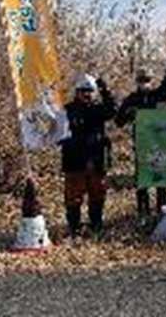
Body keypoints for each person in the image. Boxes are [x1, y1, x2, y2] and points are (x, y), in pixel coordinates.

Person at [116, 47, 166, 221]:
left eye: (147, 79)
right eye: (141, 80)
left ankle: (162, 214)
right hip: (141, 146)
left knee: (160, 183)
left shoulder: (158, 95)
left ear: (152, 80)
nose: (144, 82)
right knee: (142, 183)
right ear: (136, 81)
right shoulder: (130, 100)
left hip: (159, 145)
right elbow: (118, 122)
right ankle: (143, 215)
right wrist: (128, 113)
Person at [60, 73, 116, 238]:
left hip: (96, 161)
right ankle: (74, 229)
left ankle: (96, 227)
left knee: (97, 196)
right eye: (83, 90)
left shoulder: (99, 109)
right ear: (77, 92)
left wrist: (104, 90)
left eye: (90, 91)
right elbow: (57, 134)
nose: (87, 94)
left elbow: (112, 110)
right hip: (74, 161)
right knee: (73, 198)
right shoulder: (67, 110)